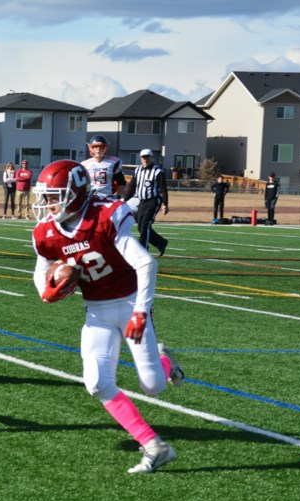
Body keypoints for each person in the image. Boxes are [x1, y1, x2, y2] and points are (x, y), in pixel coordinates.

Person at [30, 159, 184, 473]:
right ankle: (154, 445)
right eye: (46, 196)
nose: (47, 203)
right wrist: (46, 291)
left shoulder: (104, 215)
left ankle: (166, 362)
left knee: (152, 385)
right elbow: (40, 272)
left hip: (129, 303)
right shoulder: (47, 232)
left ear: (74, 193)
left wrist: (141, 311)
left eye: (54, 195)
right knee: (97, 382)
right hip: (97, 310)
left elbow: (146, 265)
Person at [123, 149, 169, 256]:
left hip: (154, 201)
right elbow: (132, 187)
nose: (145, 159)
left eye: (147, 157)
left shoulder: (157, 172)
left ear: (152, 158)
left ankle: (142, 251)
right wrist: (124, 201)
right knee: (141, 227)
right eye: (143, 157)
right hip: (142, 201)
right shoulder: (138, 170)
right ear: (141, 159)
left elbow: (163, 189)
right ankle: (161, 243)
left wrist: (165, 204)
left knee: (145, 226)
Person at [81, 134, 125, 198]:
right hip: (91, 198)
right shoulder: (85, 164)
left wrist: (116, 195)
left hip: (107, 197)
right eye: (96, 147)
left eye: (101, 147)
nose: (98, 150)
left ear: (105, 148)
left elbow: (122, 183)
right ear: (91, 148)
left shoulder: (113, 162)